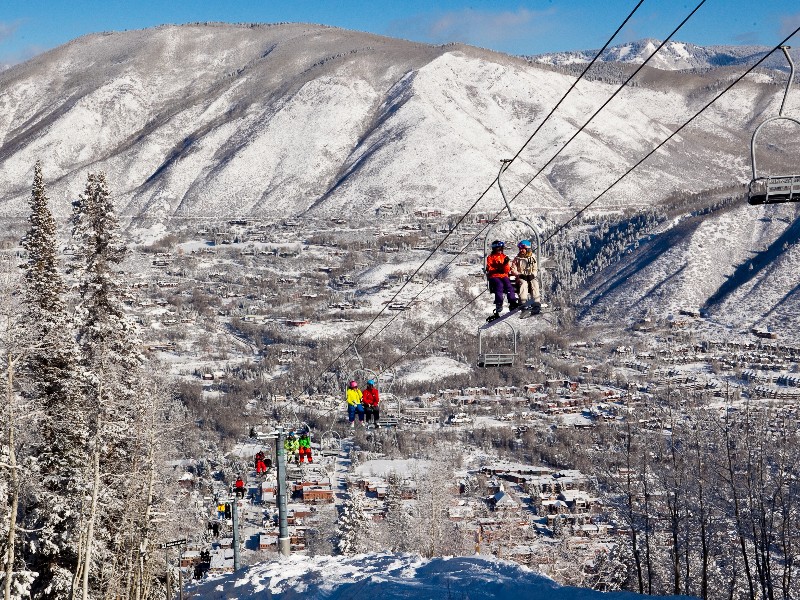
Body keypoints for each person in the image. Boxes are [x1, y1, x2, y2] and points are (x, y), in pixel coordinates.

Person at [486, 240, 519, 320]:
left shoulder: (504, 257)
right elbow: (489, 268)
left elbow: (507, 270)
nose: (499, 250)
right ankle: (499, 302)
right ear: (494, 249)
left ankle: (512, 302)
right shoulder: (490, 257)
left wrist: (505, 264)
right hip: (494, 276)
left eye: (500, 248)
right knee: (499, 285)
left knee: (508, 285)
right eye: (498, 248)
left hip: (503, 275)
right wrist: (498, 269)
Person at [510, 240, 541, 313]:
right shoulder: (517, 259)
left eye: (522, 249)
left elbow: (535, 269)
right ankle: (523, 302)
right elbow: (513, 269)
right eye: (520, 249)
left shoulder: (532, 258)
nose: (521, 250)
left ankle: (536, 303)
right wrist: (519, 274)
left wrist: (533, 274)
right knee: (523, 283)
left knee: (535, 283)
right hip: (521, 277)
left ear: (527, 249)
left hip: (530, 277)